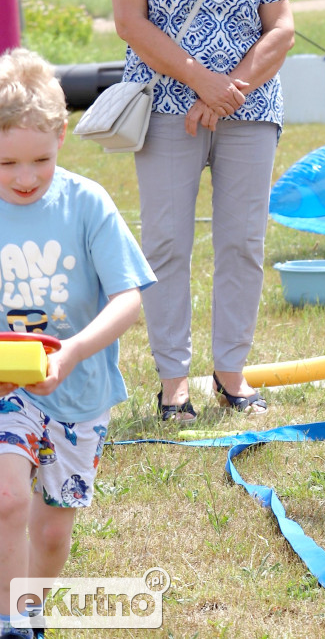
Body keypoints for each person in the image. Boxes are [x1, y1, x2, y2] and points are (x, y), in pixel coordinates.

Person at [0, 48, 155, 638]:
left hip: (81, 389)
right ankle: (10, 622)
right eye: (6, 162)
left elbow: (128, 298)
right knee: (9, 499)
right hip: (9, 389)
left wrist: (72, 352)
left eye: (39, 159)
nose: (23, 177)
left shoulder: (87, 202)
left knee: (51, 531)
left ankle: (32, 610)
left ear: (63, 136)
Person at [107, 0, 295, 423]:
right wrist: (202, 82)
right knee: (166, 241)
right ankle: (174, 383)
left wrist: (230, 91)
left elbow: (282, 31)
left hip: (250, 108)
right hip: (164, 106)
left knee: (244, 242)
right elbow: (129, 22)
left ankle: (231, 374)